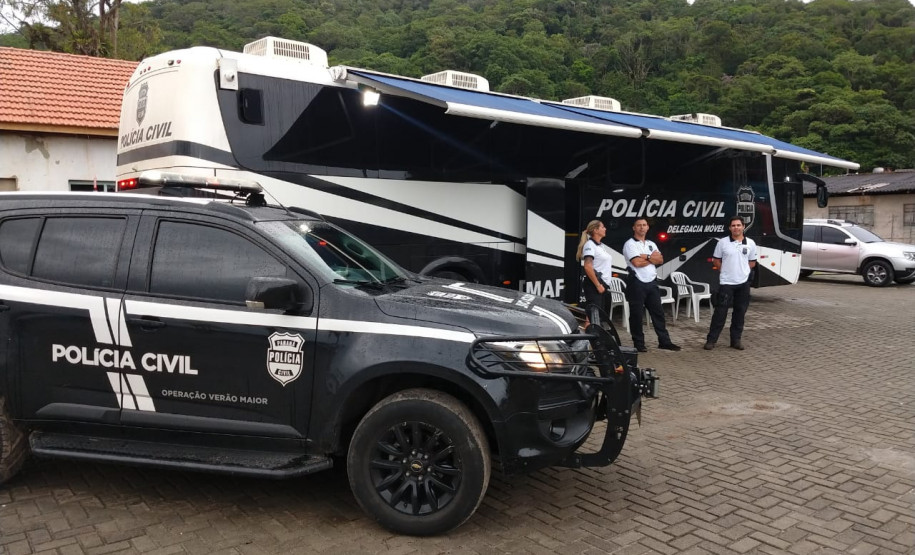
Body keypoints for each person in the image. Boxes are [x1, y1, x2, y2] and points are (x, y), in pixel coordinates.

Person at [623, 218, 681, 352]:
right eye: (639, 225)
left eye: (644, 225)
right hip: (637, 282)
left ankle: (664, 341)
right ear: (634, 228)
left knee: (658, 313)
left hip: (652, 281)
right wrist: (651, 258)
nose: (641, 228)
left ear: (648, 228)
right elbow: (636, 263)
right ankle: (639, 344)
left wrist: (645, 257)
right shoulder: (630, 244)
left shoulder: (651, 244)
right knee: (637, 315)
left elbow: (660, 259)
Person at [704, 216, 758, 350]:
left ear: (743, 227)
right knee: (720, 313)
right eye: (733, 225)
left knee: (740, 313)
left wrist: (742, 272)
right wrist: (726, 271)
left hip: (743, 284)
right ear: (730, 228)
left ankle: (736, 340)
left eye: (738, 225)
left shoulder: (750, 243)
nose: (736, 228)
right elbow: (716, 260)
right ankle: (711, 340)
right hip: (726, 283)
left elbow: (752, 263)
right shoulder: (723, 243)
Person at [576, 220, 613, 316]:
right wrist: (598, 285)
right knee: (594, 316)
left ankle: (592, 331)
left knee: (595, 316)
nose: (605, 229)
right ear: (596, 230)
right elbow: (588, 266)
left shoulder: (601, 246)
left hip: (603, 284)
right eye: (602, 227)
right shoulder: (590, 245)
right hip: (594, 284)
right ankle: (592, 331)